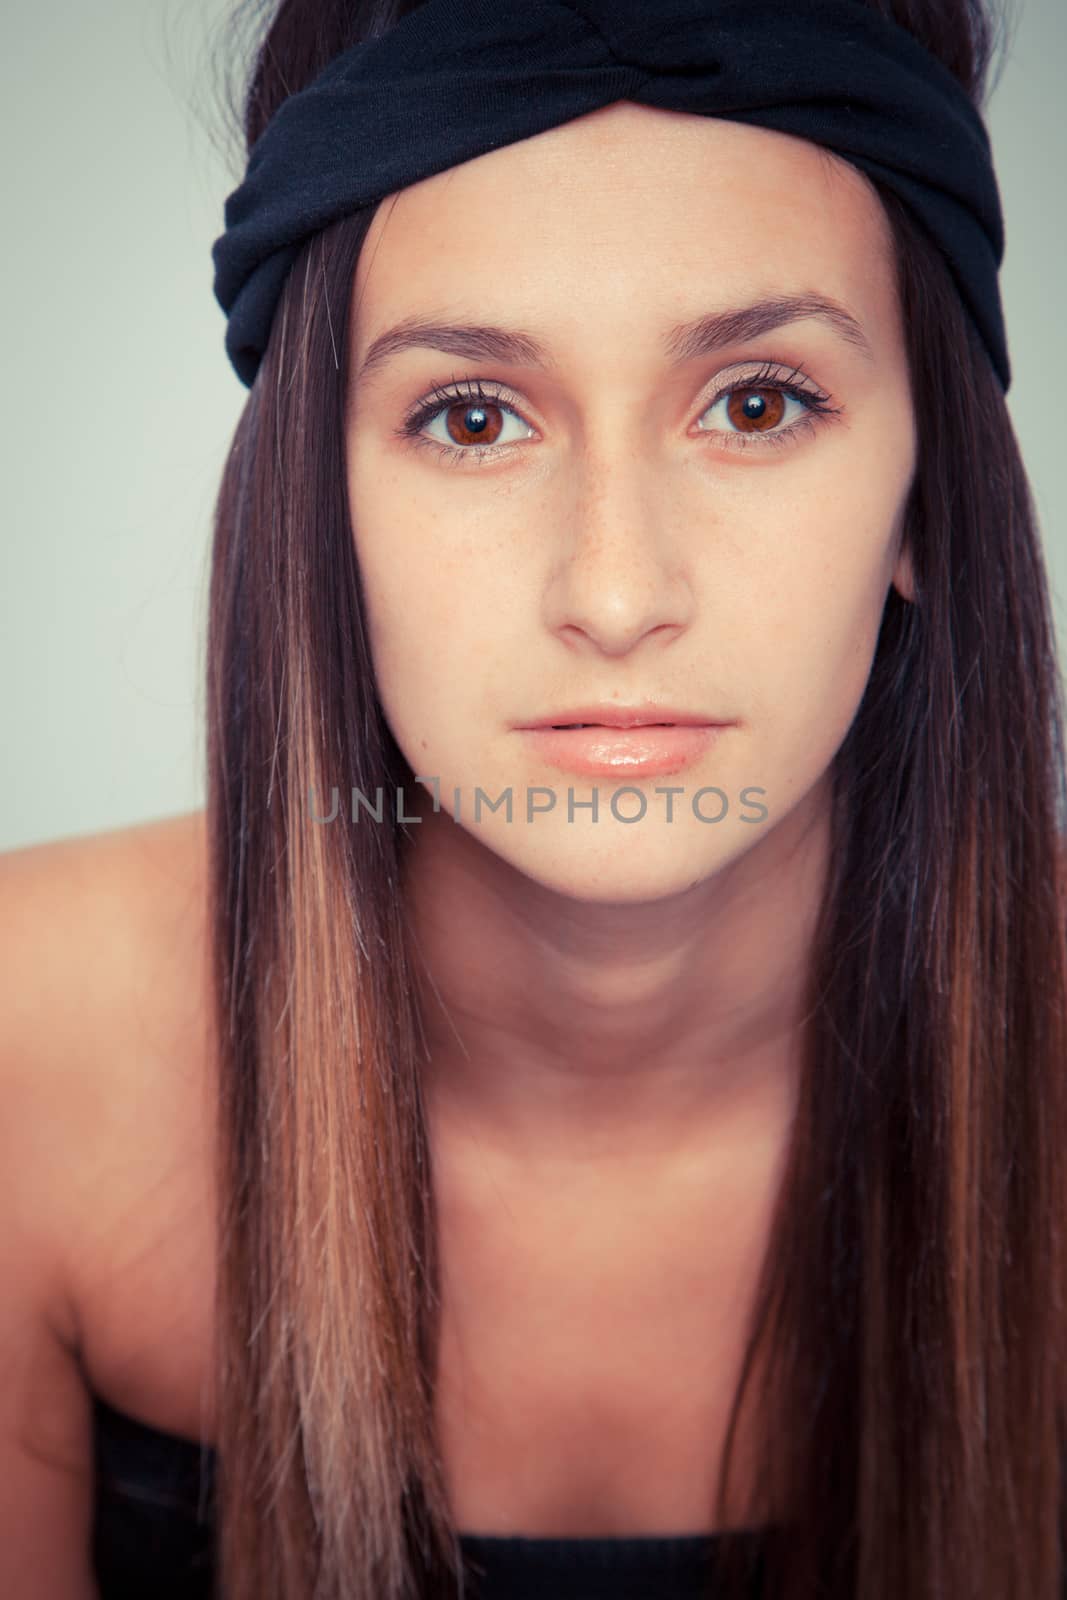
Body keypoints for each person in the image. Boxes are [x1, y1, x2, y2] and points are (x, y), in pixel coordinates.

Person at [3, 0, 1065, 1597]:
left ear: (927, 493)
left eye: (759, 403)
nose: (619, 592)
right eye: (474, 416)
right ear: (320, 504)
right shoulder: (24, 1056)